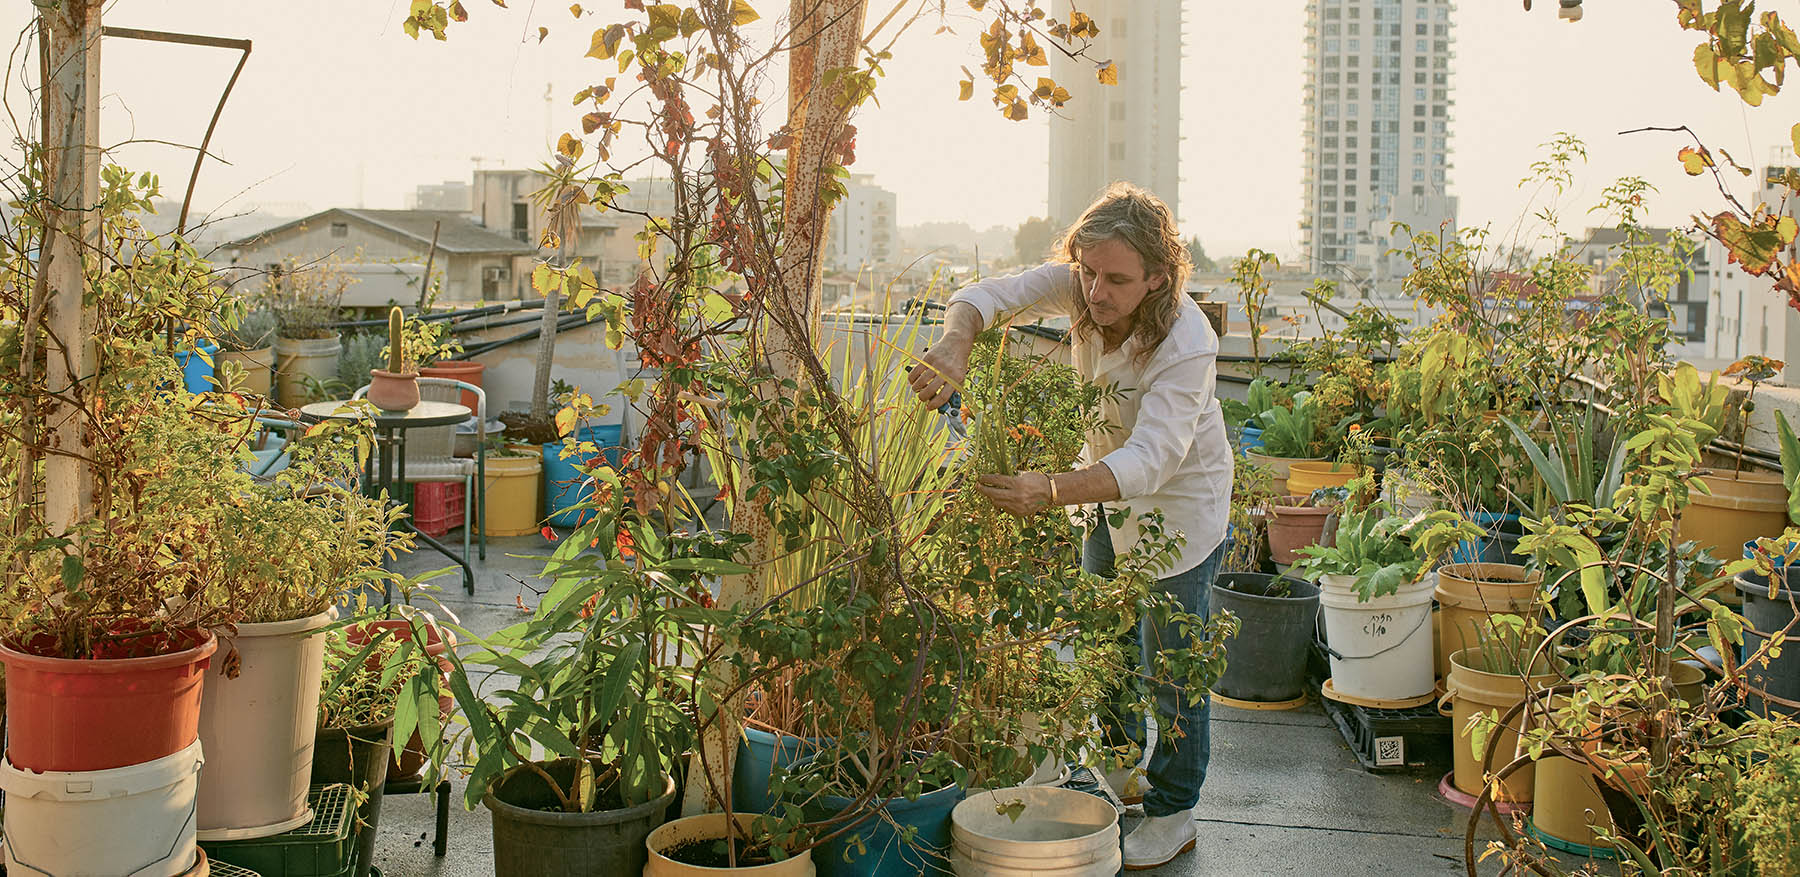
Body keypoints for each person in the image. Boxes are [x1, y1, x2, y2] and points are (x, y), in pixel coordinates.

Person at [908, 182, 1232, 871]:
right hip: (1102, 504)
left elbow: (1153, 459)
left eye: (1115, 278)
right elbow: (986, 295)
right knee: (1101, 641)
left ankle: (1175, 808)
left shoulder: (1186, 341)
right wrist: (955, 344)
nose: (1094, 290)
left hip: (1179, 512)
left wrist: (1048, 490)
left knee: (1170, 665)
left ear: (1156, 277)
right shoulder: (1084, 283)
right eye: (1085, 270)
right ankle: (1117, 773)